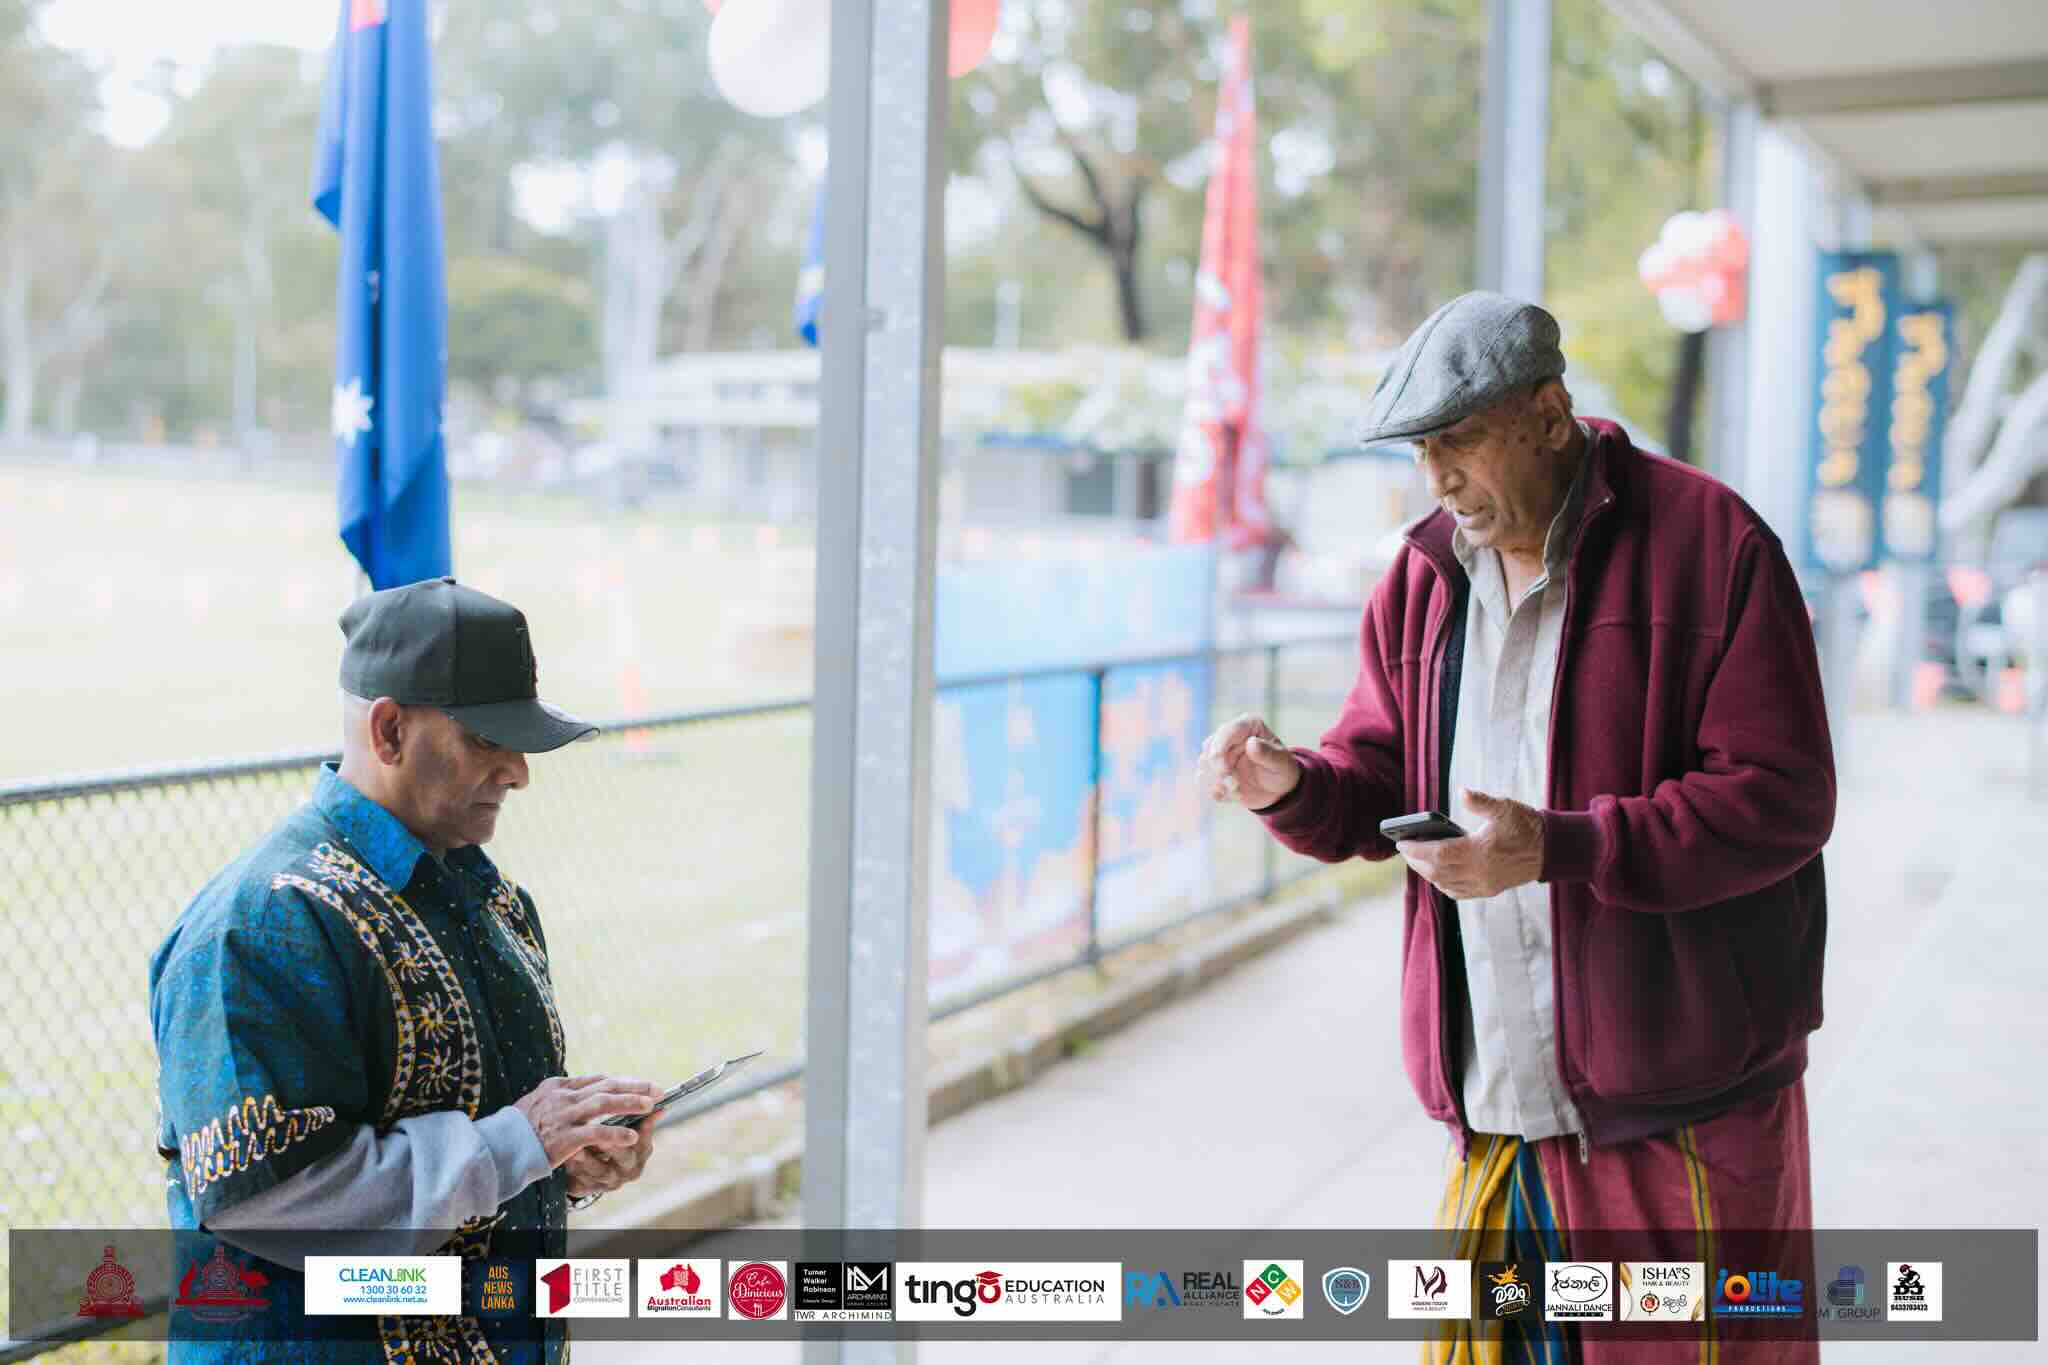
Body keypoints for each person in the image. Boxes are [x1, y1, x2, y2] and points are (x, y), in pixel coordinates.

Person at [1199, 293, 1833, 1364]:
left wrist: (1562, 846)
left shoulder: (1711, 543)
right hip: (1494, 1103)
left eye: (1460, 438)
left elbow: (1778, 798)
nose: (1437, 477)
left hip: (1679, 1113)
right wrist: (1289, 787)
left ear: (1548, 413)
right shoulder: (1419, 577)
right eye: (1419, 450)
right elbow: (1375, 776)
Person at [150, 578, 662, 1364]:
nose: (520, 771)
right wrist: (518, 1143)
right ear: (389, 730)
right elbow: (277, 1206)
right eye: (488, 738)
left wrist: (567, 1159)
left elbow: (493, 1138)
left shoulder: (491, 896)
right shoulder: (260, 926)